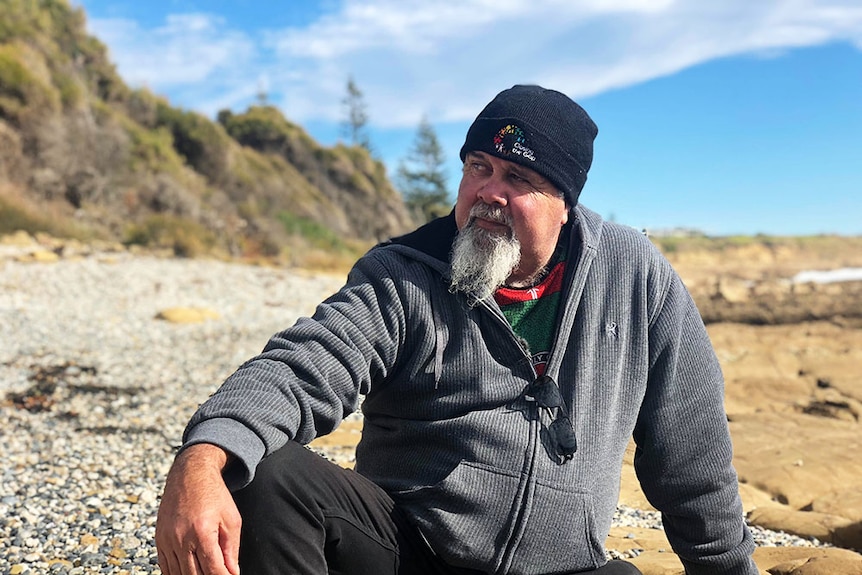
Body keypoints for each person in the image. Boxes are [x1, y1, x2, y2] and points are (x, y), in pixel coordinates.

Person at [155, 84, 758, 575]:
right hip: (409, 556)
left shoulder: (637, 279)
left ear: (565, 201)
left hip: (561, 570)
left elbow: (692, 455)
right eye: (479, 167)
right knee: (269, 477)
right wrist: (203, 458)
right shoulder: (403, 275)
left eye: (519, 179)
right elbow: (303, 366)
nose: (489, 194)